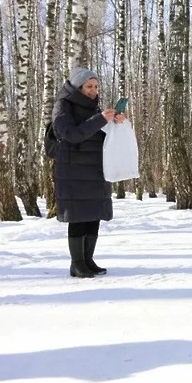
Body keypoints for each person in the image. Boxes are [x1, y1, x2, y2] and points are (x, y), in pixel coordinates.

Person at [52, 67, 126, 278]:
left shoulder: (95, 108)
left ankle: (88, 260)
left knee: (93, 214)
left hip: (95, 169)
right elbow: (71, 134)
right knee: (78, 217)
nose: (93, 91)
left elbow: (100, 137)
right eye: (89, 87)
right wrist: (100, 119)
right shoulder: (63, 106)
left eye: (95, 86)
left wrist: (114, 124)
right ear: (77, 87)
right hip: (72, 170)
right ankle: (77, 264)